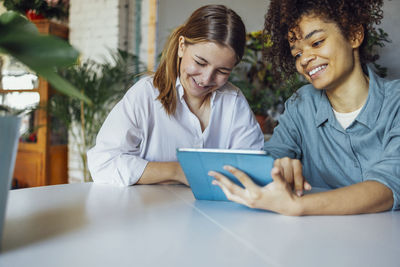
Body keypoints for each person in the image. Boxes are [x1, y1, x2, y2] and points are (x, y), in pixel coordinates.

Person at [209, 0, 400, 215]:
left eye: (317, 42)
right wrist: (279, 168)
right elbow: (270, 159)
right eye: (297, 54)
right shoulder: (300, 104)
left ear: (354, 35)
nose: (305, 59)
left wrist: (297, 206)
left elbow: (388, 185)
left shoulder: (396, 103)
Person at [87, 5, 264, 186]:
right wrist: (177, 171)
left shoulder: (233, 102)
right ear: (181, 46)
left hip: (213, 213)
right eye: (200, 62)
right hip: (150, 211)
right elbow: (103, 162)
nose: (206, 78)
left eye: (222, 71)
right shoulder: (145, 95)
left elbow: (253, 168)